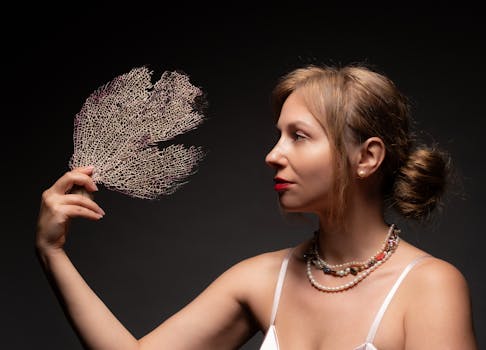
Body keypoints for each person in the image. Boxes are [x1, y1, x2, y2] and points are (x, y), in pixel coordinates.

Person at [36, 63, 478, 349]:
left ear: (366, 157)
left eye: (298, 136)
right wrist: (53, 253)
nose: (273, 154)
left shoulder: (429, 288)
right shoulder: (262, 279)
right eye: (278, 134)